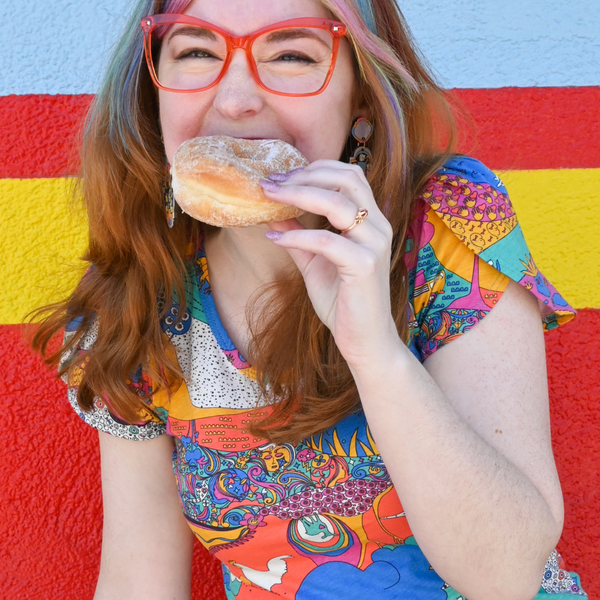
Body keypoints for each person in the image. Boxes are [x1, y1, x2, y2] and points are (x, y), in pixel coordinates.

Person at [32, 0, 587, 598]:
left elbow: (507, 577)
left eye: (291, 55)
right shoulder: (135, 305)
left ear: (363, 108)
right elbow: (138, 581)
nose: (236, 99)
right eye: (196, 52)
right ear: (152, 94)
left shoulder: (446, 224)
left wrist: (374, 350)